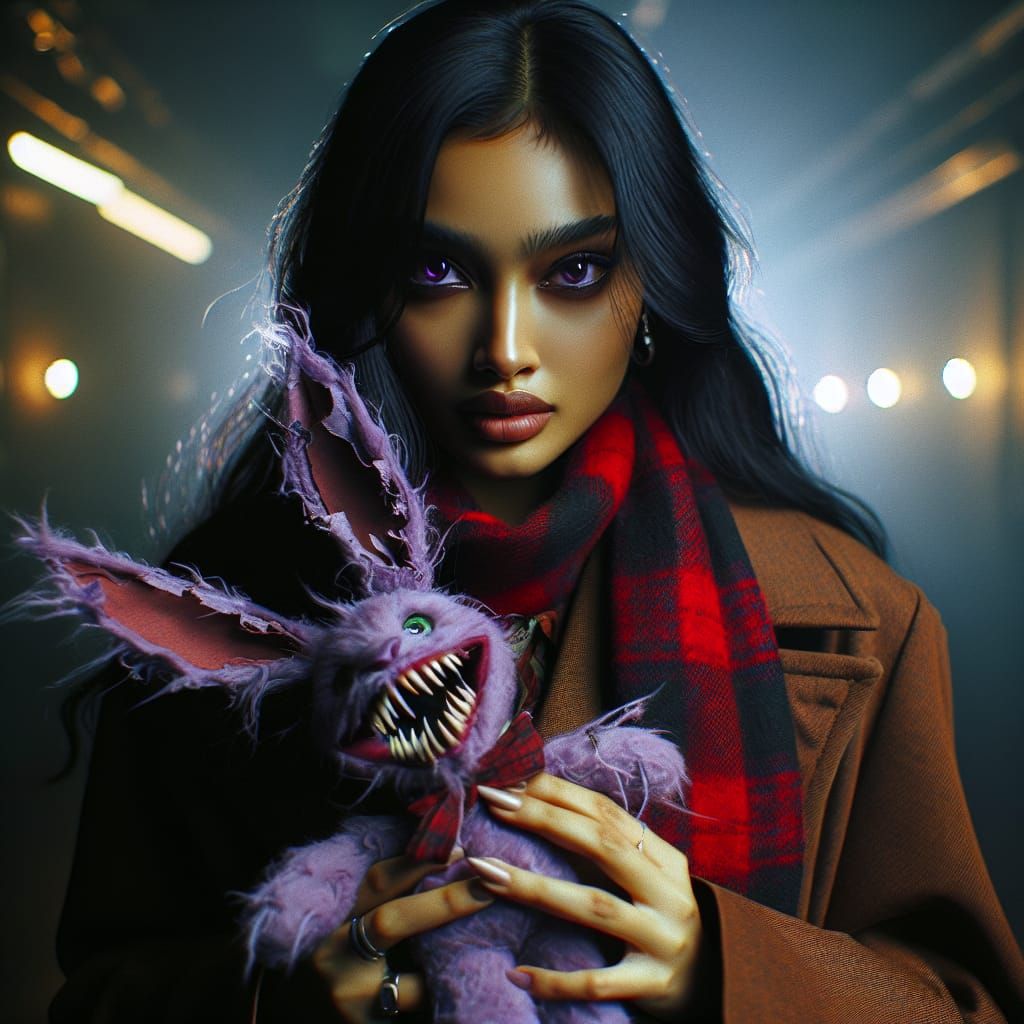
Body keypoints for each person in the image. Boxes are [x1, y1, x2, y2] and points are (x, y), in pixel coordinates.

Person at [50, 2, 1023, 1022]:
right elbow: (99, 991)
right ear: (369, 281)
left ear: (652, 284)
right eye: (438, 271)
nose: (505, 347)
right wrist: (276, 1002)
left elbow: (962, 1003)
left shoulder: (855, 618)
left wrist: (723, 967)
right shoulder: (220, 621)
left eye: (572, 272)